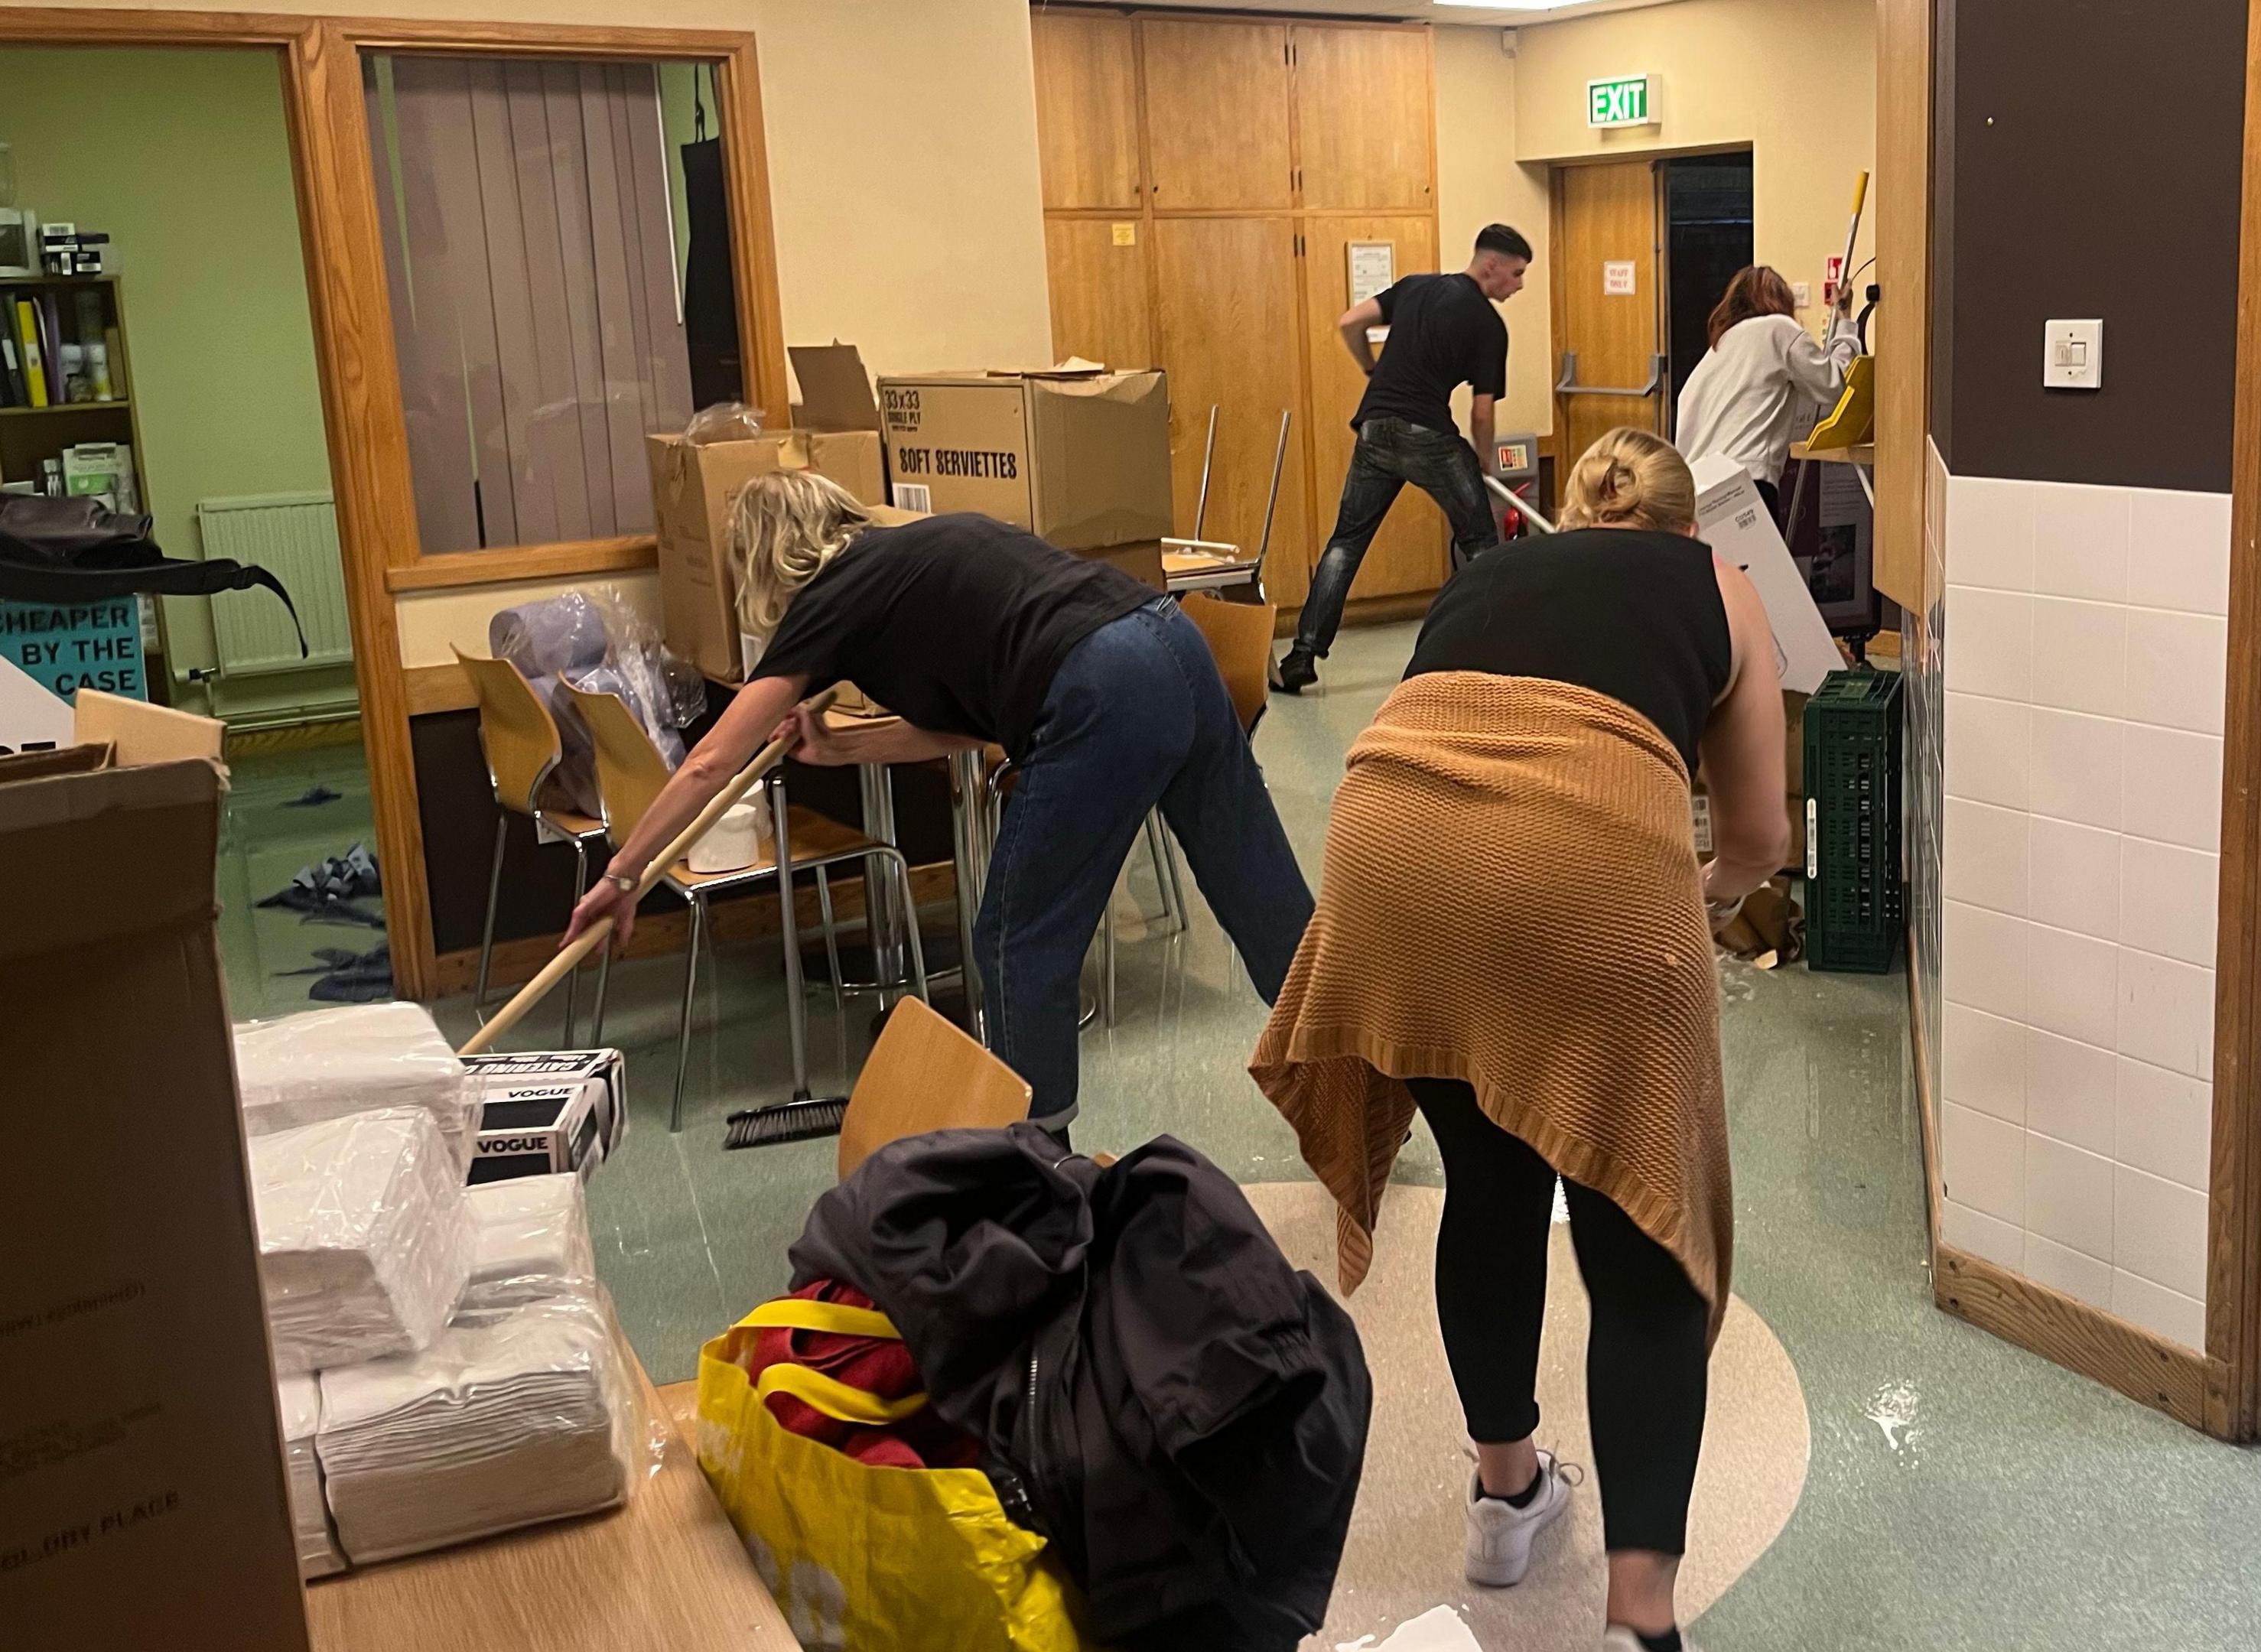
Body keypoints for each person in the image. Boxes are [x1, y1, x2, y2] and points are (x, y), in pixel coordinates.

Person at [1250, 427, 1784, 1652]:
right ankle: (1638, 1621)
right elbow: (1757, 838)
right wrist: (1684, 886)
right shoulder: (1720, 584)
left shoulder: (1486, 571)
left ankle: (1506, 1495)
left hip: (1392, 853)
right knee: (1640, 1233)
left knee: (1490, 1186)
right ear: (1685, 528)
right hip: (1581, 869)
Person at [564, 472, 1313, 1133]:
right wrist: (842, 745)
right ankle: (1358, 1087)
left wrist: (623, 875)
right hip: (1172, 642)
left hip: (1100, 685)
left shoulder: (830, 597)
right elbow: (969, 728)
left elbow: (711, 764)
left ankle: (1039, 1167)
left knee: (1015, 943)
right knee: (1259, 896)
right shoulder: (913, 558)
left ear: (765, 558)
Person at [1274, 223, 1531, 695]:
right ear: (1491, 266)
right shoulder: (1489, 326)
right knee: (1479, 542)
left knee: (1346, 541)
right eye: (1515, 275)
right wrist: (1485, 464)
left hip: (1374, 428)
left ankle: (1302, 655)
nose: (1518, 286)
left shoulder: (1415, 286)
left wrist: (1370, 369)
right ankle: (1492, 651)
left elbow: (1350, 321)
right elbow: (1480, 412)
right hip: (1428, 435)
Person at [1671, 265, 1859, 519]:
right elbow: (1835, 384)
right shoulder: (1779, 329)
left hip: (1696, 490)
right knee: (1760, 560)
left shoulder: (1717, 351)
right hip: (1745, 482)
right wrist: (1845, 325)